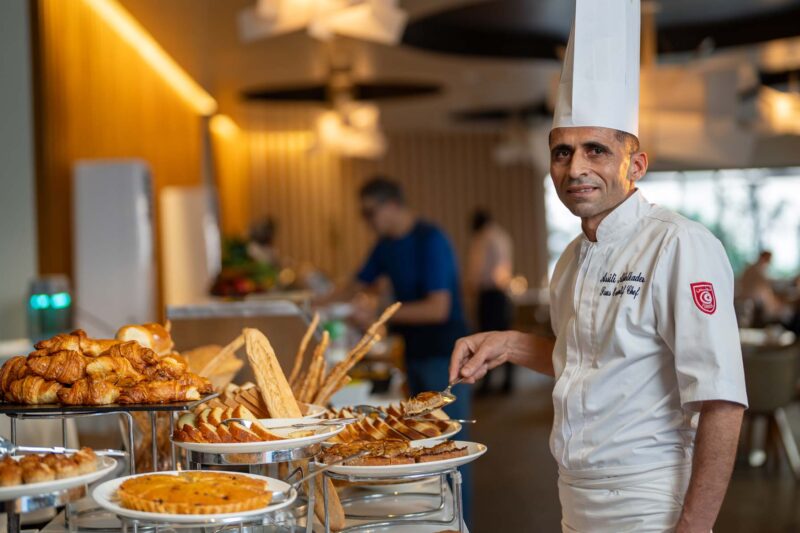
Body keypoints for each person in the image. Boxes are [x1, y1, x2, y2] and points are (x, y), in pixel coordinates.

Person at [449, 1, 747, 531]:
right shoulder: (570, 259)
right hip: (573, 495)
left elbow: (721, 400)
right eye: (562, 152)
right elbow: (589, 362)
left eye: (596, 150)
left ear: (635, 165)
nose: (576, 168)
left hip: (648, 496)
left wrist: (694, 526)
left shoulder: (679, 245)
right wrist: (511, 343)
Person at [343, 175, 473, 522]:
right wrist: (316, 301)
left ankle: (460, 522)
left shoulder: (430, 240)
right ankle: (431, 521)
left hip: (444, 352)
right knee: (419, 439)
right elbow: (358, 283)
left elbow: (438, 308)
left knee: (448, 445)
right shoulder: (385, 244)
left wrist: (383, 318)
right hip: (413, 350)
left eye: (370, 213)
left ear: (393, 205)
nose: (366, 221)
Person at [465, 208, 515, 394]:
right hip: (501, 293)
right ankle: (507, 381)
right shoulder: (502, 235)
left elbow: (478, 268)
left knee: (486, 338)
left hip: (489, 294)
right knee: (503, 336)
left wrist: (471, 285)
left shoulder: (484, 238)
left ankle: (487, 383)